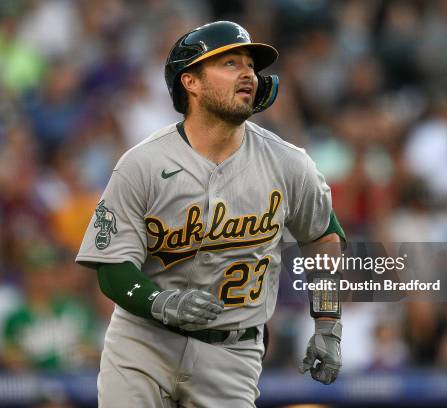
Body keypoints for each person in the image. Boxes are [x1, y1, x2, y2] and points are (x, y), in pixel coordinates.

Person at [76, 21, 346, 407]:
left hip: (233, 353)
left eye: (250, 65)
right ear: (192, 82)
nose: (248, 73)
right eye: (230, 63)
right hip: (144, 343)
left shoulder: (289, 163)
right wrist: (160, 302)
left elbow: (323, 237)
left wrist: (328, 324)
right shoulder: (143, 164)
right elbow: (112, 269)